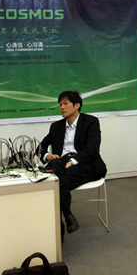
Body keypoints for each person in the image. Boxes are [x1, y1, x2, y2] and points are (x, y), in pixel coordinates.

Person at [40, 91, 107, 235]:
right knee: (51, 174)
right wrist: (46, 155)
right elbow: (41, 146)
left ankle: (58, 231)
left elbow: (92, 149)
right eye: (60, 104)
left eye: (65, 103)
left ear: (77, 105)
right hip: (61, 163)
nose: (62, 107)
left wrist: (73, 161)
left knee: (56, 183)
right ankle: (68, 216)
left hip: (86, 163)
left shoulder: (91, 122)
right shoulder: (56, 126)